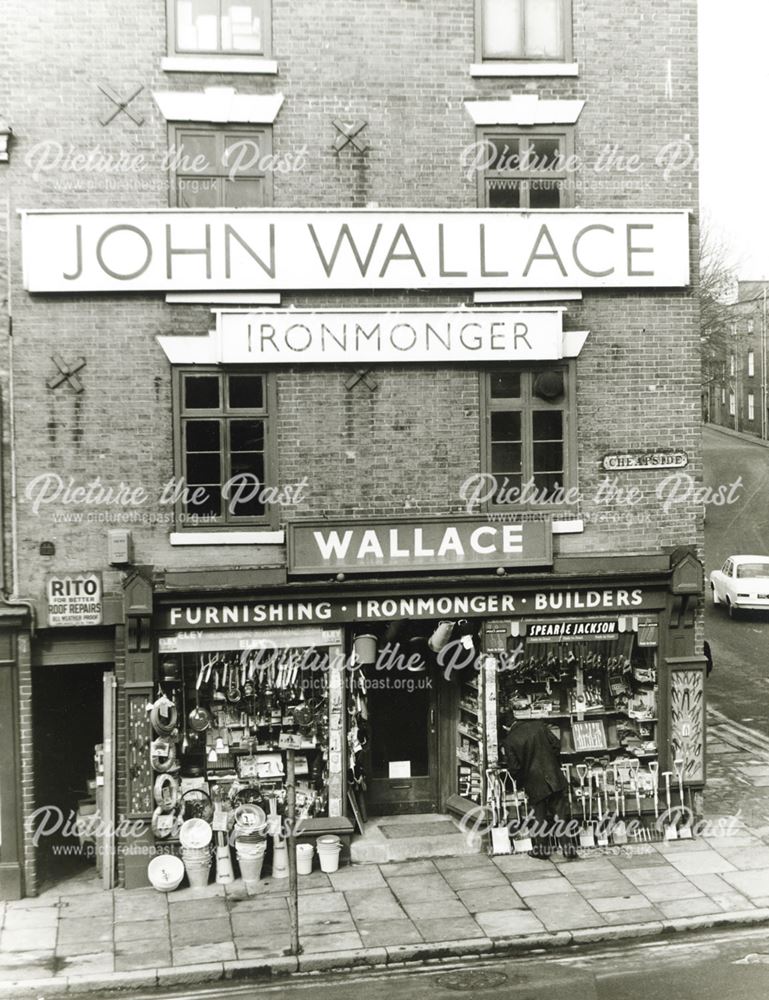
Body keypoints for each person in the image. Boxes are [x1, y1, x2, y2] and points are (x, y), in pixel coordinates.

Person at [502, 714, 580, 860]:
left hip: (534, 783)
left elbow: (514, 768)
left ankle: (542, 850)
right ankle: (568, 850)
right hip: (554, 777)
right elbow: (556, 744)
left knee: (539, 817)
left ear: (505, 727)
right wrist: (551, 762)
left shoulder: (509, 740)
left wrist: (519, 782)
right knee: (561, 816)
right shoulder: (538, 726)